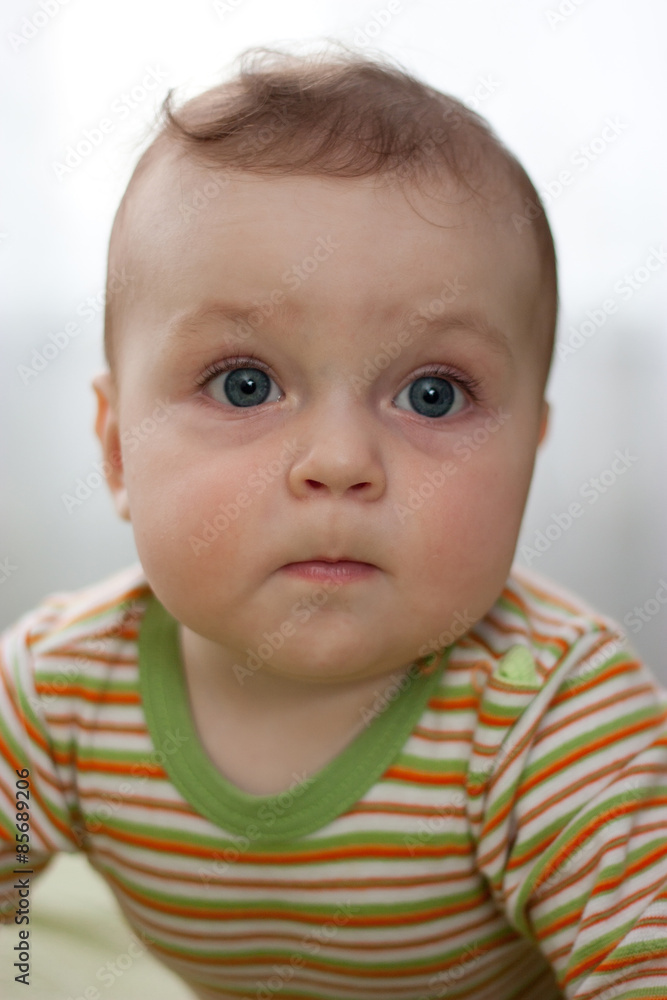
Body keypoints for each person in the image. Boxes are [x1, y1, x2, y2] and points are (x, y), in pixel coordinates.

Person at [2, 44, 666, 1000]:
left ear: (529, 454)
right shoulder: (55, 699)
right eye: (244, 384)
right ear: (115, 453)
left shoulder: (550, 714)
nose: (341, 463)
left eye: (432, 395)